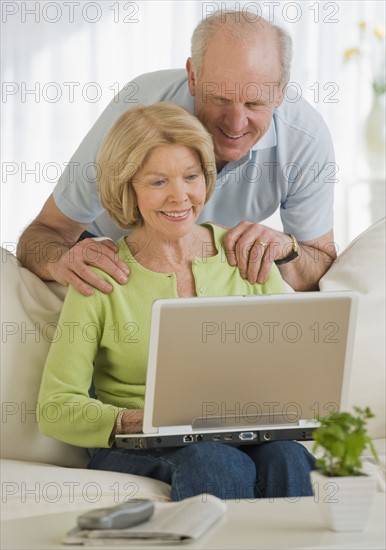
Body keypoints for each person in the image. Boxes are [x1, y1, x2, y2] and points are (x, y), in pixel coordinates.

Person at [37, 103, 315, 501]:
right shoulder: (101, 273)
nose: (179, 196)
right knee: (215, 461)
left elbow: (294, 374)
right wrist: (140, 421)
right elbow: (56, 407)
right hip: (141, 442)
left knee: (287, 456)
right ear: (128, 187)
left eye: (191, 176)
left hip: (243, 430)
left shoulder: (245, 256)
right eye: (157, 182)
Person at [17, 10, 337, 294]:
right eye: (221, 99)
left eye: (254, 103)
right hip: (113, 259)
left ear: (281, 92)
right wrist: (61, 262)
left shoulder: (305, 140)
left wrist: (288, 249)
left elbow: (319, 264)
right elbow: (42, 235)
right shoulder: (135, 111)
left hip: (216, 273)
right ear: (193, 77)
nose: (236, 123)